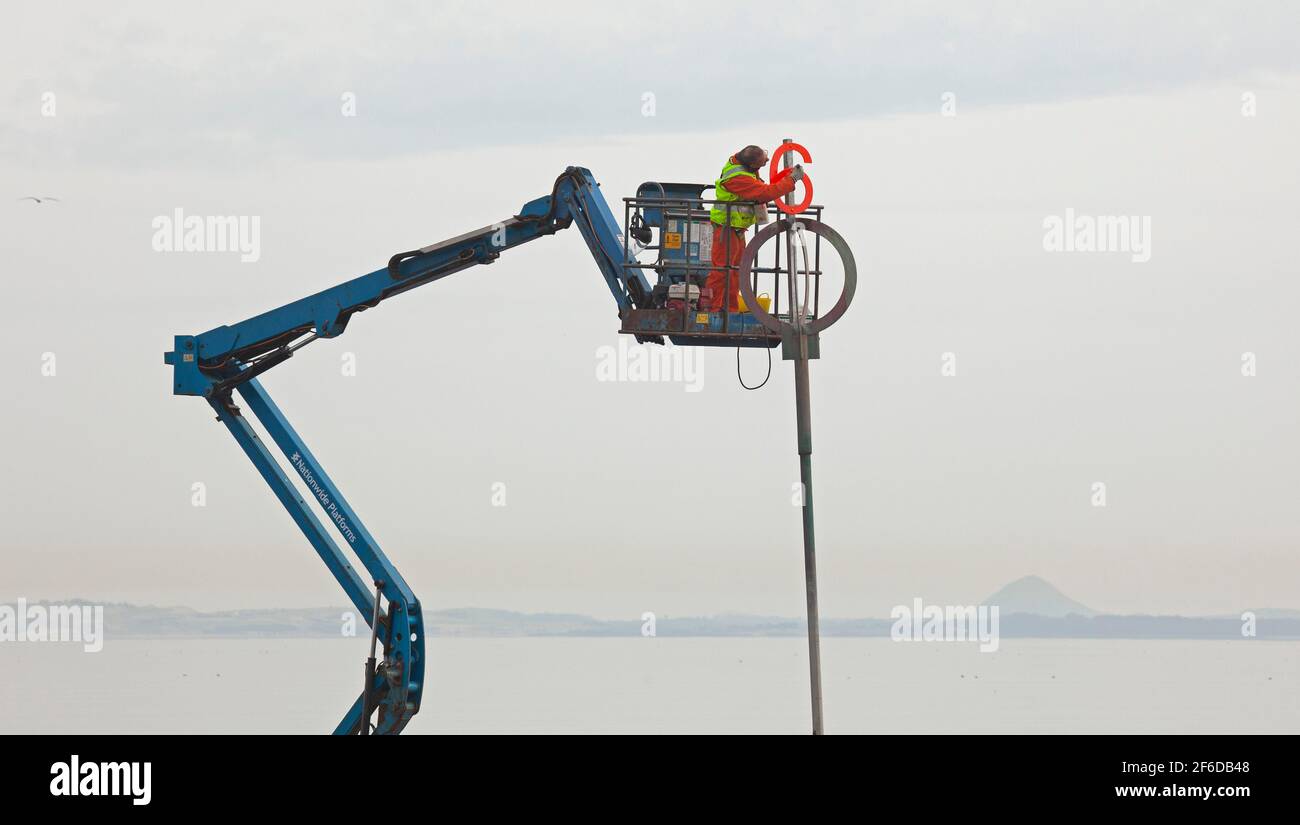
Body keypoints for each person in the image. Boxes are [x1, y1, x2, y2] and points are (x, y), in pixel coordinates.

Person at [703, 145, 805, 312]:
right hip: (726, 228)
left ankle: (730, 311)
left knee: (736, 271)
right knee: (722, 271)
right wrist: (791, 180)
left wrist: (764, 159)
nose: (764, 164)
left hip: (736, 228)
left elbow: (760, 184)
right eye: (760, 164)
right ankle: (713, 311)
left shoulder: (740, 163)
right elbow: (764, 192)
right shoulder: (737, 178)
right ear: (751, 165)